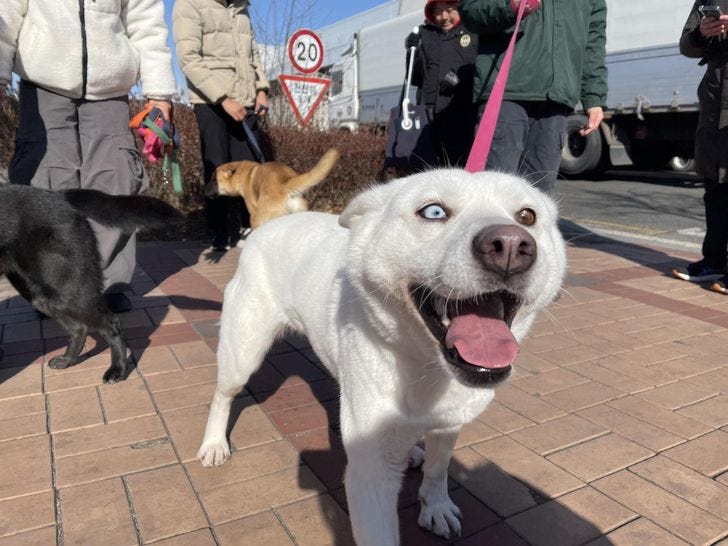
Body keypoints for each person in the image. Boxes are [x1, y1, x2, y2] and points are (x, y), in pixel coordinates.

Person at [0, 0, 177, 313]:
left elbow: (146, 22)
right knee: (45, 185)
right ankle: (49, 286)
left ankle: (109, 285)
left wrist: (160, 96)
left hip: (110, 88)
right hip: (42, 82)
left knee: (116, 180)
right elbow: (6, 13)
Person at [458, 0, 608, 194]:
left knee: (539, 197)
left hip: (556, 97)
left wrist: (594, 97)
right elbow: (471, 10)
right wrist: (509, 6)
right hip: (507, 92)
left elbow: (593, 42)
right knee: (495, 191)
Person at [172, 0, 270, 252]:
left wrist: (262, 89)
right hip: (210, 101)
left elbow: (253, 53)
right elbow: (188, 59)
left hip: (246, 98)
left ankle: (253, 227)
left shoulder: (241, 7)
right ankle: (220, 232)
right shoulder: (189, 4)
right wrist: (223, 98)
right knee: (217, 166)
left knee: (251, 169)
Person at [672, 2, 728, 292]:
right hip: (714, 101)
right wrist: (701, 34)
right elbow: (686, 45)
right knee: (715, 187)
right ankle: (714, 261)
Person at [404, 0, 478, 167]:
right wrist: (412, 52)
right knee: (430, 164)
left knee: (460, 162)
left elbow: (477, 62)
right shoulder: (426, 34)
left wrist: (454, 78)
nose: (444, 17)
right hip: (429, 110)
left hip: (461, 109)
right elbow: (415, 78)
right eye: (438, 12)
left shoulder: (472, 30)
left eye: (449, 10)